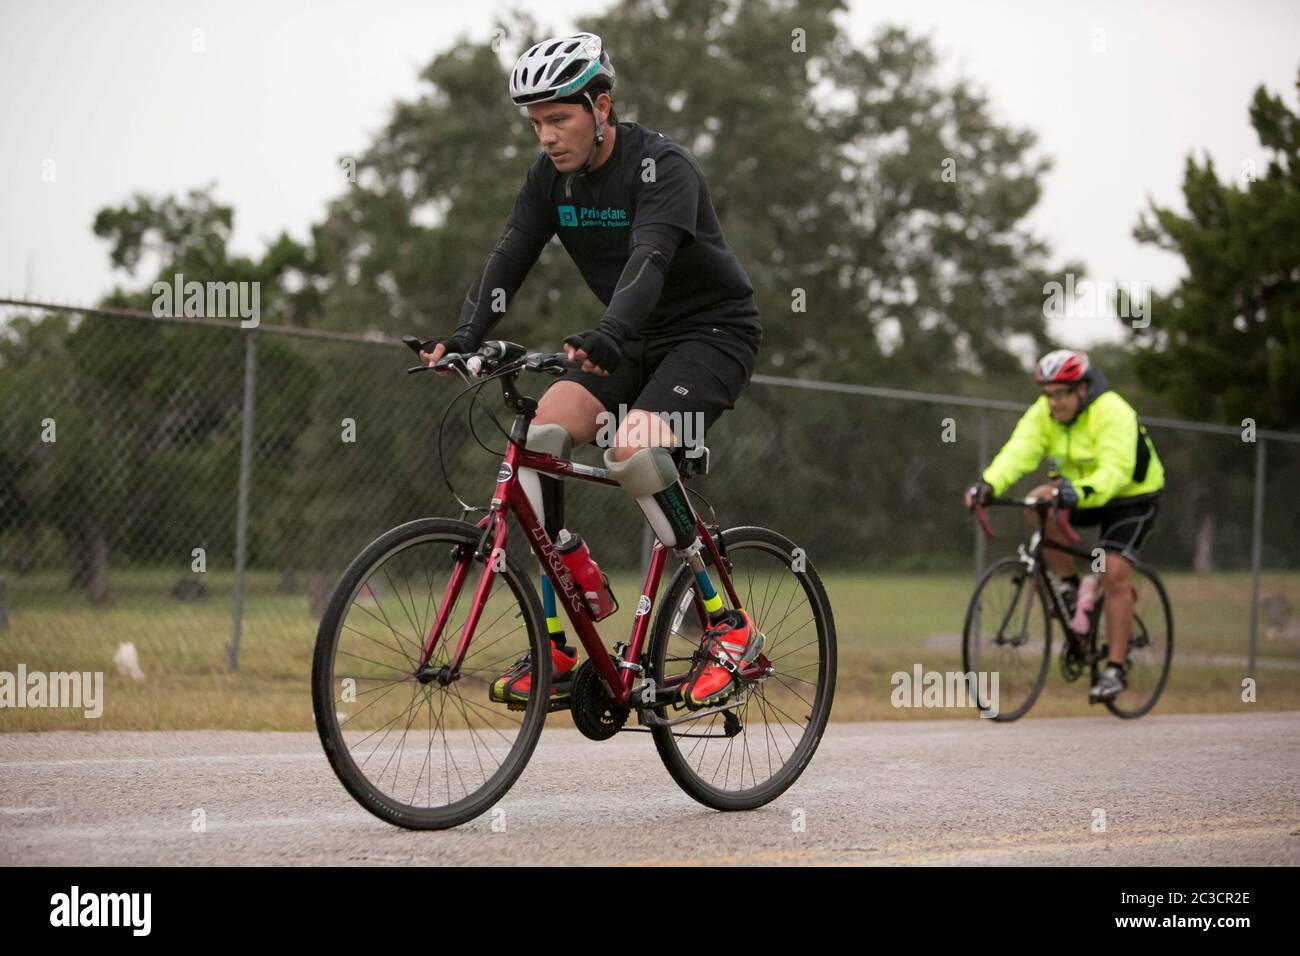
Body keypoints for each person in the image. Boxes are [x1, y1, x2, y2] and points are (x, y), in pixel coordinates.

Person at [420, 33, 764, 710]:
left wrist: (608, 332)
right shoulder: (548, 180)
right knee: (540, 436)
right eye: (536, 123)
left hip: (710, 333)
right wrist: (463, 338)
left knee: (632, 447)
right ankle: (558, 628)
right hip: (630, 336)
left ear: (601, 106)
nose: (547, 136)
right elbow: (509, 257)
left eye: (559, 118)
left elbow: (649, 261)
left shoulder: (662, 168)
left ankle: (728, 625)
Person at [964, 350, 1165, 702]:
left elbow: (1115, 472)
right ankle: (1069, 588)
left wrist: (1081, 491)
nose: (1053, 402)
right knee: (1037, 501)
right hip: (1079, 492)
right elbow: (1018, 452)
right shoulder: (1044, 414)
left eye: (1060, 393)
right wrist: (989, 484)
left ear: (1082, 390)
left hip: (1130, 497)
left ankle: (1116, 669)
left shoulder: (1113, 411)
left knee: (1113, 573)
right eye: (1048, 393)